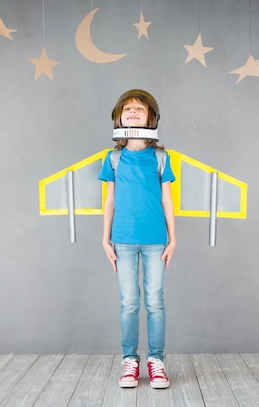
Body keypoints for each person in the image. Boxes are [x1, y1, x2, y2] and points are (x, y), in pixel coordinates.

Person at [98, 89, 176, 389]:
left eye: (139, 109)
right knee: (129, 302)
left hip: (156, 239)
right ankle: (129, 361)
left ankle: (156, 360)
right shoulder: (114, 158)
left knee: (155, 302)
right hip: (123, 240)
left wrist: (173, 239)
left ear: (150, 117)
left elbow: (167, 202)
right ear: (119, 116)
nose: (132, 112)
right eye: (127, 108)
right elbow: (110, 203)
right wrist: (105, 240)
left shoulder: (160, 157)